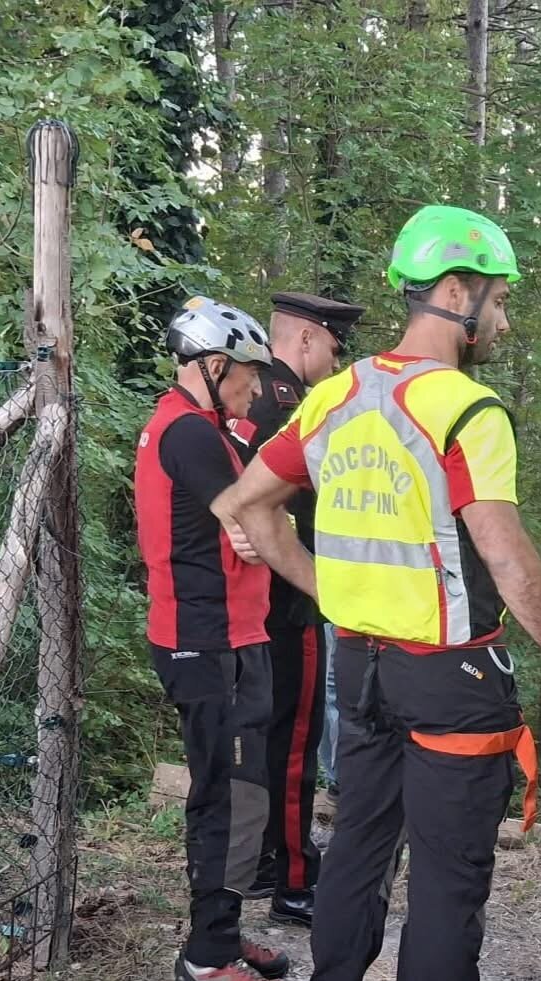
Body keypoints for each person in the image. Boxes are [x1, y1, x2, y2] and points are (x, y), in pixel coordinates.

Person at [211, 204, 541, 981]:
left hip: (364, 667)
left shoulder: (335, 399)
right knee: (447, 878)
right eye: (498, 301)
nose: (502, 321)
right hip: (454, 678)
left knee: (357, 849)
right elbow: (504, 556)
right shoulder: (464, 407)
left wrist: (335, 591)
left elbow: (243, 506)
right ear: (457, 294)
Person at [136, 296, 291, 981]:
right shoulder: (190, 434)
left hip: (231, 638)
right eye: (248, 375)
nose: (256, 388)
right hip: (209, 643)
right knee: (226, 798)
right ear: (214, 364)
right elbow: (250, 513)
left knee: (240, 792)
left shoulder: (203, 429)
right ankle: (207, 957)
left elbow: (250, 515)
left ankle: (220, 937)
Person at [230, 291, 365, 927]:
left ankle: (262, 861)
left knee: (265, 734)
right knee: (293, 744)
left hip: (257, 602)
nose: (337, 366)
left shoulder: (250, 394)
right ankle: (293, 877)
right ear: (307, 339)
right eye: (335, 350)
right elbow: (264, 503)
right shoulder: (289, 404)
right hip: (289, 598)